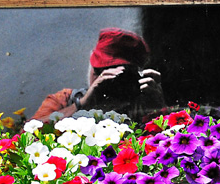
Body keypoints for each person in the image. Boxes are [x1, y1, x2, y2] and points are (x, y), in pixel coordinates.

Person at [33, 28, 164, 121]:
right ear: (91, 66)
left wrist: (159, 109)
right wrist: (81, 104)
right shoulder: (66, 100)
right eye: (101, 71)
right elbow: (25, 135)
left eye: (122, 76)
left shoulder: (143, 102)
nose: (109, 80)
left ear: (136, 76)